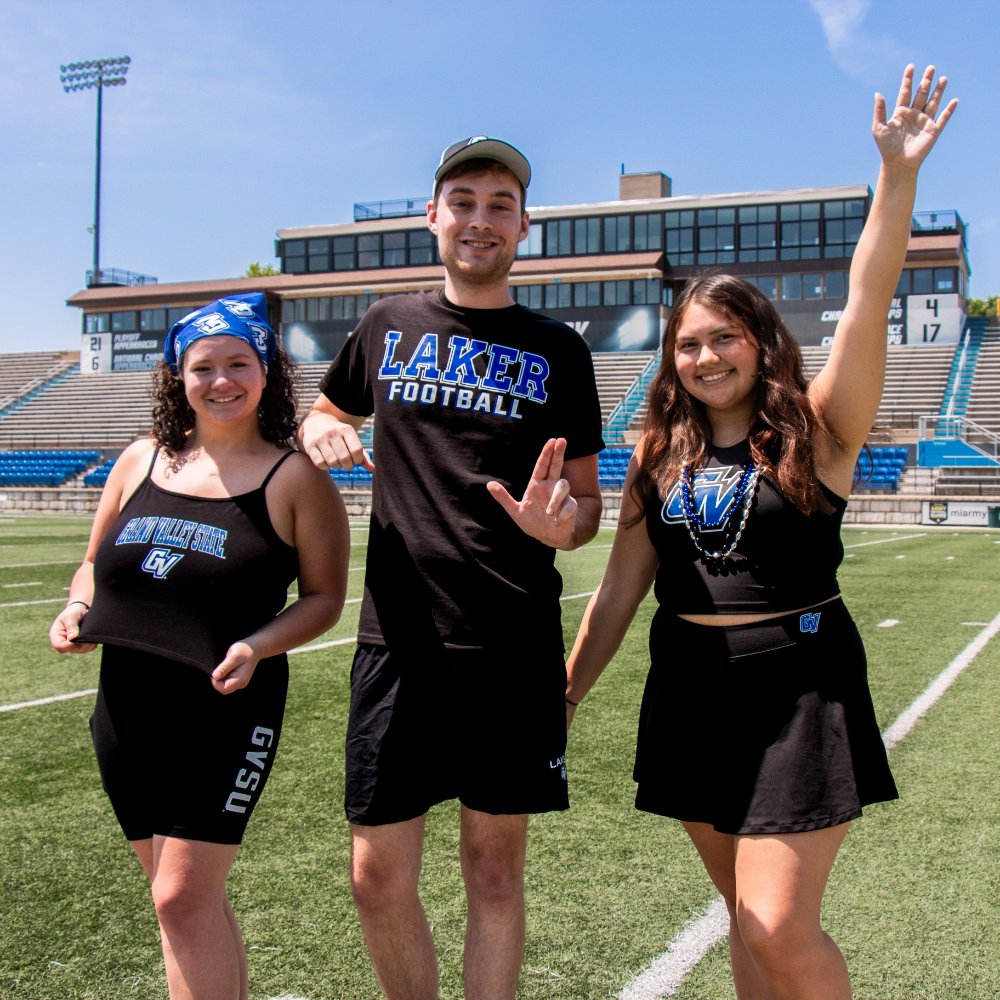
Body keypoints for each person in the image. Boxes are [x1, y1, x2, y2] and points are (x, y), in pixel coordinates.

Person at [564, 65, 957, 999]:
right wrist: (568, 693)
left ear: (763, 341)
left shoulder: (818, 432)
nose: (705, 357)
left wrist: (896, 177)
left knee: (779, 923)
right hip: (690, 688)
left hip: (800, 687)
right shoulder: (656, 449)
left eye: (725, 338)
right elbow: (620, 588)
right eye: (689, 344)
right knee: (745, 918)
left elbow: (867, 298)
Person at [298, 136, 605, 999]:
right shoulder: (385, 325)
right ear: (432, 217)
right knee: (376, 877)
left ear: (525, 227)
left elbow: (587, 509)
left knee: (494, 873)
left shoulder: (558, 350)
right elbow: (323, 413)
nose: (480, 220)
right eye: (463, 201)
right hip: (395, 638)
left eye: (499, 205)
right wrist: (318, 428)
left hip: (509, 646)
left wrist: (562, 527)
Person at [49, 292, 350, 1000]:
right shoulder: (138, 461)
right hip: (124, 710)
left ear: (267, 372)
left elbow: (324, 599)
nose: (221, 380)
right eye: (203, 366)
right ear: (176, 378)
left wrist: (257, 644)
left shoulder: (295, 479)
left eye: (238, 363)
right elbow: (93, 565)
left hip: (224, 710)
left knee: (180, 901)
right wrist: (76, 605)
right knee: (182, 902)